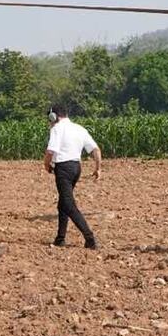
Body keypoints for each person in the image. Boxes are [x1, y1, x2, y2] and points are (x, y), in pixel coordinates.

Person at [43, 104, 101, 248]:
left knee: (68, 204)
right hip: (76, 168)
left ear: (54, 116)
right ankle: (60, 238)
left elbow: (50, 151)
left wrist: (46, 165)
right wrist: (98, 168)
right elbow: (95, 149)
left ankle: (90, 238)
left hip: (63, 168)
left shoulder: (57, 129)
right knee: (63, 203)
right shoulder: (79, 128)